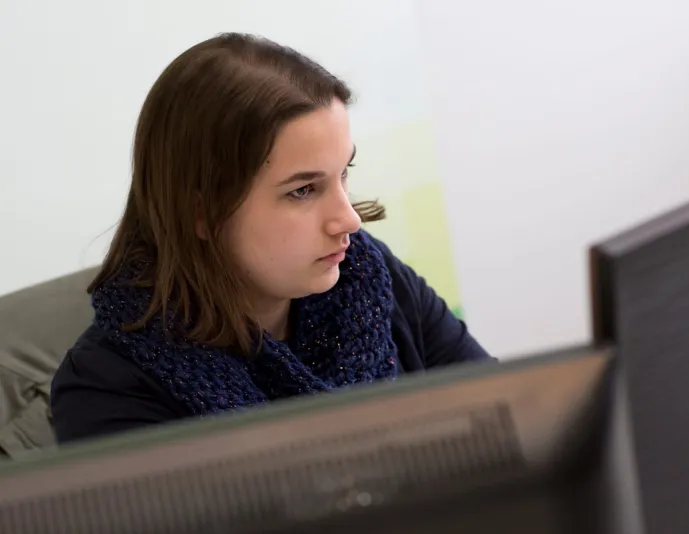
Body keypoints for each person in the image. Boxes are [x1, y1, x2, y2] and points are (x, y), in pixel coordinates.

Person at [50, 32, 493, 445]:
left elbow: (503, 426)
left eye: (344, 173)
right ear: (200, 213)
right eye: (303, 190)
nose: (349, 220)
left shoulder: (369, 275)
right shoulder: (105, 389)